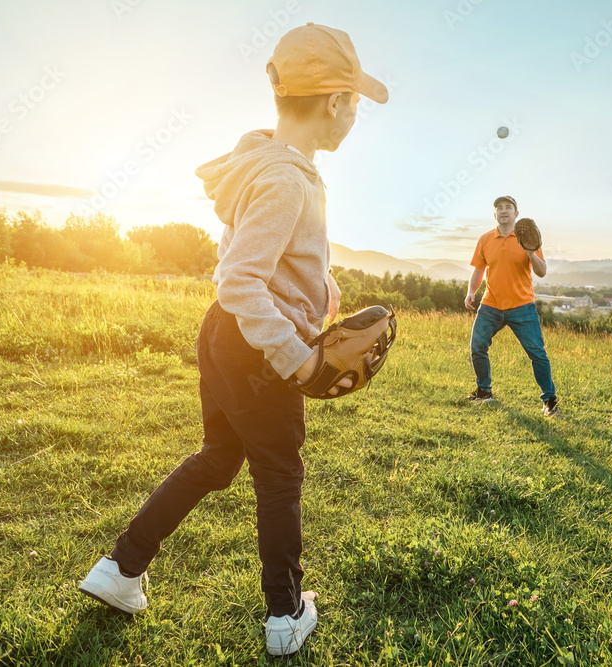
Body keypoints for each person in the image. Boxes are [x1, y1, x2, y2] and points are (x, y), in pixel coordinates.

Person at [79, 23, 388, 656]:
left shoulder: (269, 162)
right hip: (254, 345)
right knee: (279, 473)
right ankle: (284, 616)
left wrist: (320, 283)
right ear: (333, 102)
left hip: (223, 338)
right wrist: (296, 357)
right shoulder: (286, 180)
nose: (356, 114)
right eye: (354, 101)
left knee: (218, 458)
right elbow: (239, 280)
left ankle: (121, 569)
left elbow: (255, 255)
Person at [464, 195, 558, 417]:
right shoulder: (485, 239)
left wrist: (530, 252)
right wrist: (471, 292)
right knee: (477, 346)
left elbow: (542, 271)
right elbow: (478, 270)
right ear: (494, 214)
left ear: (516, 213)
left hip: (522, 307)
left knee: (537, 354)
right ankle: (484, 391)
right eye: (499, 208)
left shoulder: (529, 238)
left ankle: (549, 399)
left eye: (508, 207)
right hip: (491, 305)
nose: (503, 211)